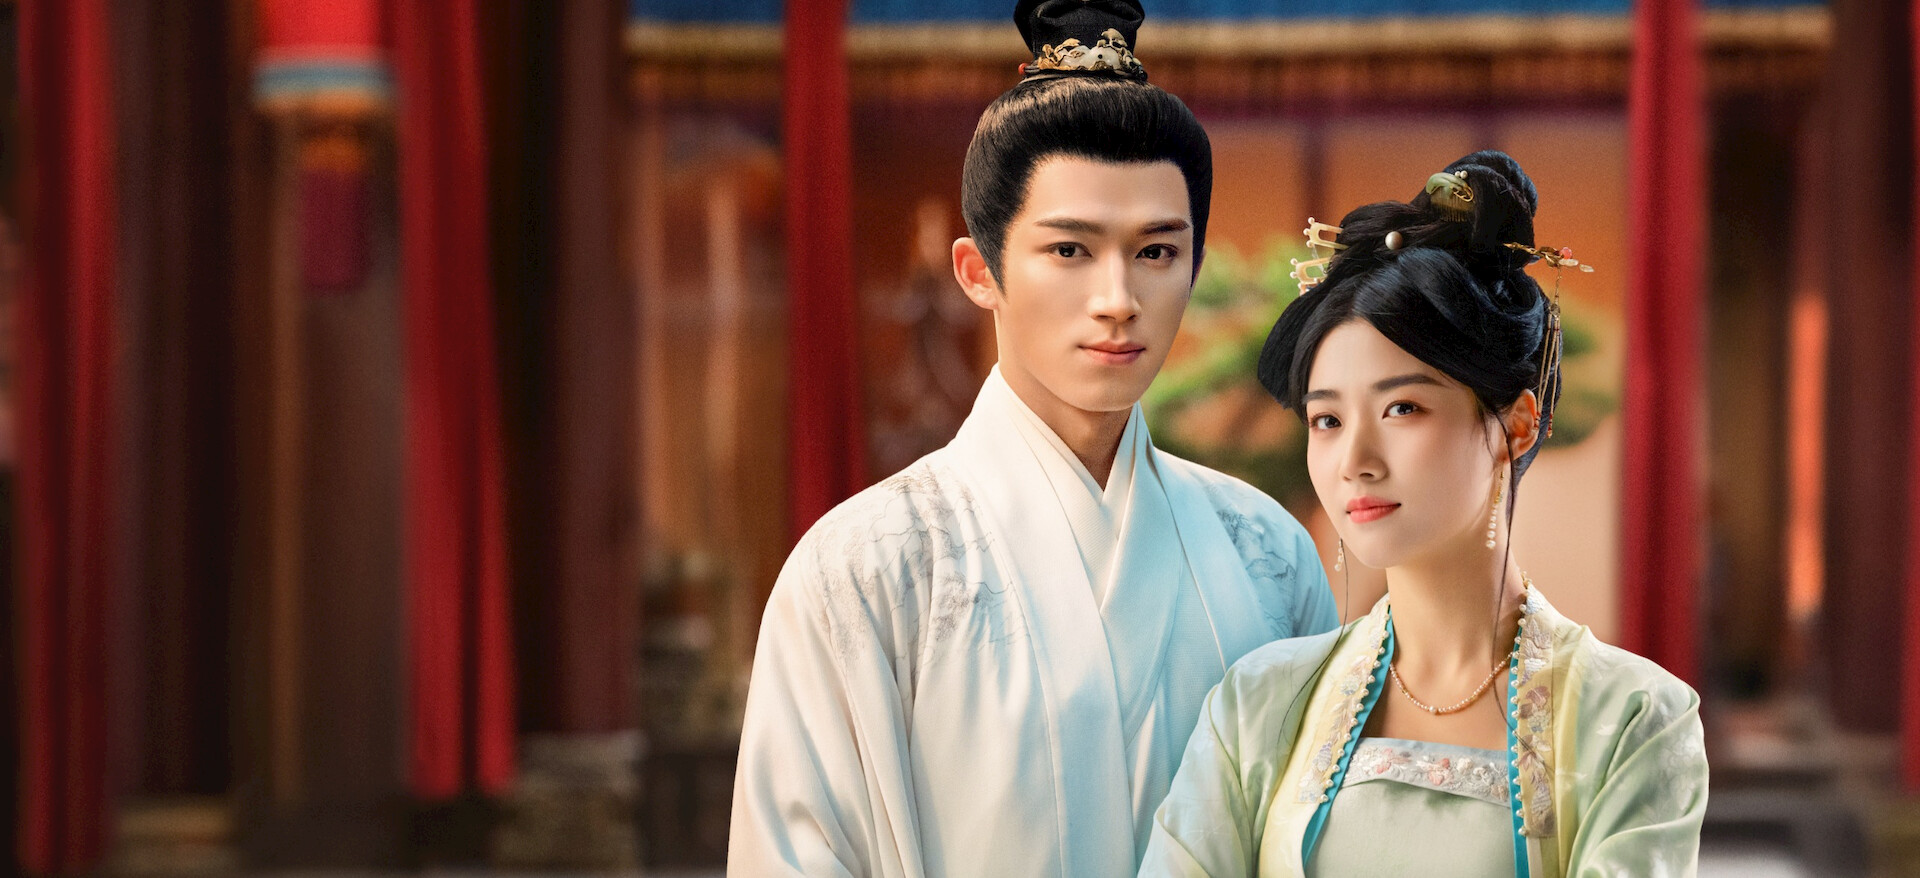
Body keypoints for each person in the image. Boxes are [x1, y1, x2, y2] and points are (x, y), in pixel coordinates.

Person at [728, 2, 1339, 875]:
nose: (1117, 300)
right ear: (979, 270)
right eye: (1070, 251)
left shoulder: (1269, 558)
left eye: (1156, 253)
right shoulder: (867, 567)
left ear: (1195, 264)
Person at [1139, 151, 1709, 877]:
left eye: (1402, 408)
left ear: (1516, 425)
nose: (1355, 460)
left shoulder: (1631, 720)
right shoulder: (1259, 705)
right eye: (1326, 420)